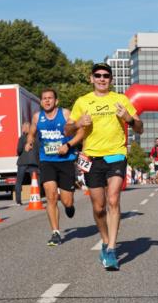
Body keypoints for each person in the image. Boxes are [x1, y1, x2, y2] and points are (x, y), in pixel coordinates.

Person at [67, 63, 143, 270]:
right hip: (92, 158)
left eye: (106, 76)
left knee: (113, 199)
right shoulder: (83, 101)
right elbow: (67, 129)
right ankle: (105, 239)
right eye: (98, 76)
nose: (102, 79)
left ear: (111, 79)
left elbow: (140, 127)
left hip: (116, 155)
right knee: (98, 207)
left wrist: (128, 119)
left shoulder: (121, 99)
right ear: (91, 79)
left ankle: (111, 249)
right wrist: (77, 123)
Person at [28, 88, 81, 246]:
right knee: (50, 196)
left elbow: (80, 132)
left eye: (50, 98)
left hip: (65, 160)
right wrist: (29, 141)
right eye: (44, 98)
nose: (47, 101)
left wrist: (68, 144)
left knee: (67, 200)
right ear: (41, 101)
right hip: (47, 161)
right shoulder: (37, 117)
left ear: (56, 101)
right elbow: (31, 132)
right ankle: (55, 232)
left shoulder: (65, 114)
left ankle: (69, 207)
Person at [15, 121, 40, 205]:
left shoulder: (22, 138)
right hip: (34, 162)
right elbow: (40, 149)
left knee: (19, 181)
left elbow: (19, 150)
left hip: (22, 162)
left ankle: (18, 201)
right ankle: (36, 197)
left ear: (26, 128)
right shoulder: (36, 137)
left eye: (23, 128)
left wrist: (19, 154)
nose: (22, 129)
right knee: (35, 181)